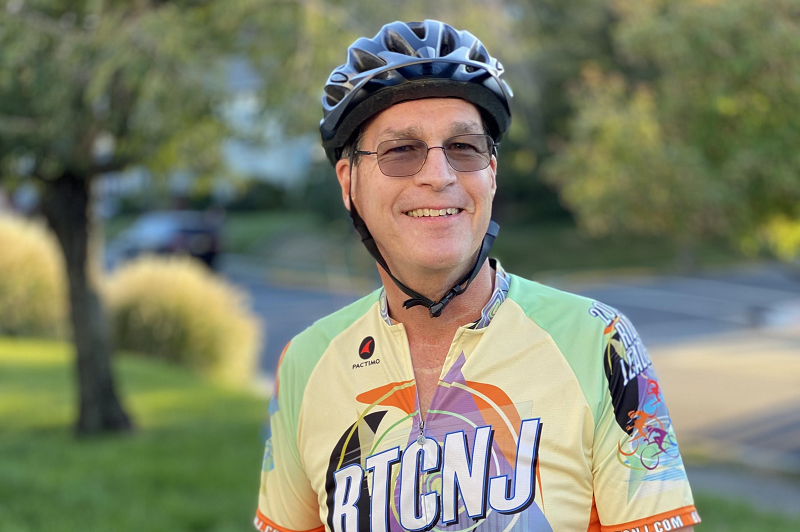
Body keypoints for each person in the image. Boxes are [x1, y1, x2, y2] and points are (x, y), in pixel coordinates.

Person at [254, 20, 700, 532]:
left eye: (464, 148)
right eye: (401, 151)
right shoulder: (305, 363)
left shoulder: (599, 341)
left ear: (491, 172)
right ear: (349, 182)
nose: (439, 175)